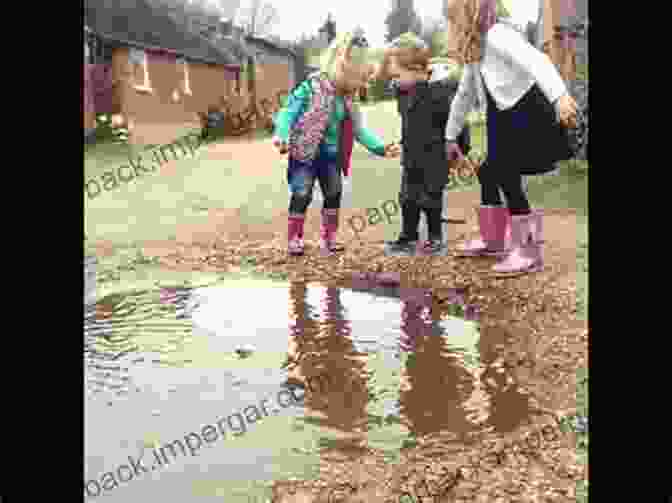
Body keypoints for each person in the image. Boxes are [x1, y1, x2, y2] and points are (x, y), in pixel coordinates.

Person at [442, 0, 579, 276]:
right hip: (503, 116)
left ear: (468, 15)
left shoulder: (498, 35)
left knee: (505, 171)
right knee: (489, 171)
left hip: (526, 112)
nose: (452, 26)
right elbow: (464, 96)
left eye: (454, 19)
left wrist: (560, 96)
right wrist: (450, 137)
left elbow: (536, 61)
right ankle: (493, 240)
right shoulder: (476, 53)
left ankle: (528, 252)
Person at [272, 29, 400, 257]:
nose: (359, 83)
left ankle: (329, 238)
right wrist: (281, 135)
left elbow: (359, 131)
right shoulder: (311, 87)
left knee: (334, 193)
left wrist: (381, 148)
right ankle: (294, 239)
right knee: (301, 193)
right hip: (304, 152)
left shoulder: (349, 98)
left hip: (331, 155)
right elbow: (287, 112)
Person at [373, 33, 471, 257]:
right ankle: (408, 237)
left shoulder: (440, 93)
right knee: (407, 197)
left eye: (398, 74)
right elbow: (407, 112)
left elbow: (458, 122)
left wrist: (461, 149)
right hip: (412, 156)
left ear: (417, 69)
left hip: (436, 158)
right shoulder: (404, 91)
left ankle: (435, 239)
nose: (394, 80)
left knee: (431, 198)